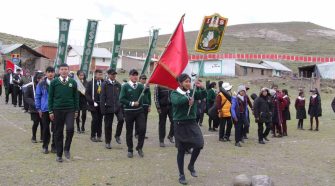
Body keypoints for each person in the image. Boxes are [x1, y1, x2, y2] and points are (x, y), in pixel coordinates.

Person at [171, 73, 207, 185]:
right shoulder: (174, 93)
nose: (188, 83)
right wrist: (188, 99)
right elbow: (177, 102)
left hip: (192, 123)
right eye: (186, 81)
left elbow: (203, 95)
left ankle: (191, 165)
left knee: (199, 143)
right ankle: (181, 174)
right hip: (180, 124)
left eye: (189, 81)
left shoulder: (192, 92)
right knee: (181, 150)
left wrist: (202, 87)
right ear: (180, 83)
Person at [48, 63, 79, 162]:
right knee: (58, 132)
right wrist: (50, 111)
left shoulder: (73, 82)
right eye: (62, 69)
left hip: (70, 109)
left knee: (70, 129)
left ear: (68, 70)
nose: (64, 71)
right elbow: (50, 98)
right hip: (57, 110)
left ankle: (67, 148)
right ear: (59, 71)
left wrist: (76, 110)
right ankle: (59, 154)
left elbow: (76, 97)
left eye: (66, 69)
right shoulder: (54, 82)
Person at [119, 69, 147, 158]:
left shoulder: (140, 86)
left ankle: (139, 147)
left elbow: (145, 94)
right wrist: (131, 103)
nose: (135, 76)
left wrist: (146, 87)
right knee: (129, 131)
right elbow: (121, 99)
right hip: (129, 112)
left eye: (136, 75)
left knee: (142, 129)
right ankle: (130, 149)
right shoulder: (125, 86)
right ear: (130, 76)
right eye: (133, 75)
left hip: (139, 111)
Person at [100, 69, 124, 149]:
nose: (114, 75)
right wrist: (102, 109)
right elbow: (102, 97)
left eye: (115, 74)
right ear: (108, 74)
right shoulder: (104, 84)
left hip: (118, 107)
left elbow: (121, 96)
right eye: (112, 74)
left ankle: (117, 135)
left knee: (121, 120)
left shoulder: (118, 84)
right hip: (108, 107)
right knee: (108, 126)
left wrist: (121, 106)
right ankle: (108, 142)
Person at [36, 66, 56, 154]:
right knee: (45, 129)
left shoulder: (57, 83)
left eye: (52, 72)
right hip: (44, 110)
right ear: (46, 73)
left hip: (56, 109)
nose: (50, 74)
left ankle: (54, 146)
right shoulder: (41, 84)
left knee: (56, 129)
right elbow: (37, 96)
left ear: (54, 73)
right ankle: (45, 146)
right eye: (49, 72)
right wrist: (38, 108)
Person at [86, 70, 104, 142]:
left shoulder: (104, 83)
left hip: (101, 105)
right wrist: (92, 102)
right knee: (95, 119)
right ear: (95, 75)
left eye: (101, 74)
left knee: (100, 120)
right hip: (93, 105)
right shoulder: (91, 83)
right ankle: (93, 135)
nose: (100, 76)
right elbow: (87, 94)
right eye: (99, 74)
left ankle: (99, 136)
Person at [24, 73, 44, 143]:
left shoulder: (45, 86)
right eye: (42, 79)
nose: (43, 80)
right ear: (38, 79)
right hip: (34, 108)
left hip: (43, 108)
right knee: (36, 122)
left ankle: (42, 137)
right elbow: (26, 97)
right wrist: (33, 103)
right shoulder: (30, 87)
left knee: (43, 123)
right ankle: (33, 136)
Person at [135, 74, 151, 139]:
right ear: (139, 79)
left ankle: (142, 134)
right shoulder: (137, 86)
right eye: (142, 79)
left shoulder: (147, 86)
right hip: (139, 105)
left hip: (146, 105)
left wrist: (149, 105)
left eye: (145, 79)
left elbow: (149, 96)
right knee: (138, 120)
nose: (144, 80)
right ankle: (137, 133)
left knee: (144, 120)